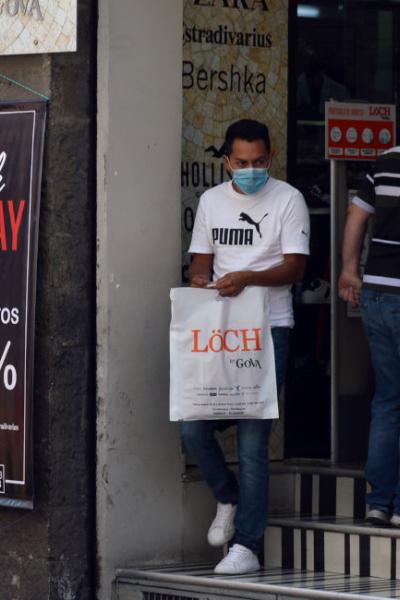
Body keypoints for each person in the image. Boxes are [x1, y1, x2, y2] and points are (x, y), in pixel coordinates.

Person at [181, 119, 310, 574]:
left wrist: (248, 278)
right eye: (241, 163)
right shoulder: (212, 202)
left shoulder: (288, 199)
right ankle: (227, 496)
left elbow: (294, 268)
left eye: (258, 162)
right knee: (193, 426)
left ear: (270, 159)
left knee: (254, 441)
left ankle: (248, 546)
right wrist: (201, 279)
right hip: (219, 331)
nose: (250, 170)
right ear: (227, 161)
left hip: (270, 329)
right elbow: (202, 260)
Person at [339, 145, 400, 527]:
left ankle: (379, 503)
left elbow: (356, 217)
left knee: (389, 399)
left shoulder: (387, 159)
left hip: (377, 293)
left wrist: (349, 270)